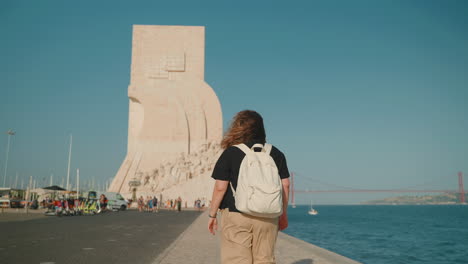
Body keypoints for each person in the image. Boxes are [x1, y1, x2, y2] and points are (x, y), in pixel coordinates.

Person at [207, 110, 290, 264]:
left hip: (237, 215)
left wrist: (212, 215)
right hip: (268, 216)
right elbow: (285, 184)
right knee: (265, 260)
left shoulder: (231, 153)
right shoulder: (276, 154)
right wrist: (283, 214)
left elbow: (220, 187)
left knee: (237, 260)